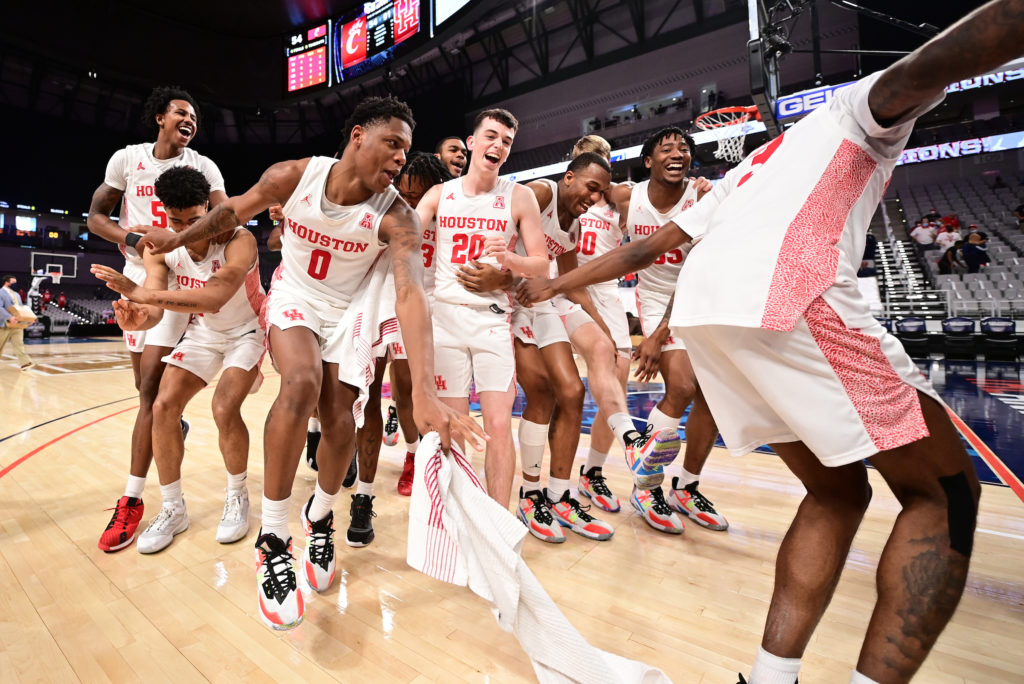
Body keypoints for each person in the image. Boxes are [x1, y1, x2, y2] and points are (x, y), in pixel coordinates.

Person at [522, 2, 1022, 680]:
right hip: (787, 293)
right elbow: (935, 60)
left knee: (837, 493)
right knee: (945, 497)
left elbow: (648, 251)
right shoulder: (854, 110)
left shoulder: (747, 172)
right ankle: (658, 470)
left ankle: (766, 674)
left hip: (708, 311)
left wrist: (551, 286)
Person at [140, 95, 485, 631]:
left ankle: (319, 518)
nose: (400, 159)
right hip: (297, 295)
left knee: (341, 418)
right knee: (298, 385)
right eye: (392, 143)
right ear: (357, 136)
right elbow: (231, 212)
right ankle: (274, 538)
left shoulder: (398, 217)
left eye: (406, 150)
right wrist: (176, 241)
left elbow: (411, 294)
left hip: (351, 309)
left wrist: (423, 392)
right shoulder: (293, 176)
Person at [91, 166, 265, 554]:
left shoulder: (240, 240)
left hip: (248, 333)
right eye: (176, 220)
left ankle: (238, 495)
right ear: (164, 214)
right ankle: (173, 508)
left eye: (195, 220)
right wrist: (138, 314)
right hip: (204, 334)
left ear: (209, 207)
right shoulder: (162, 250)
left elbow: (214, 298)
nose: (187, 228)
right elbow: (153, 307)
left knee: (223, 407)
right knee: (163, 406)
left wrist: (143, 296)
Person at [87, 85, 228, 553]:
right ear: (160, 118)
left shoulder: (203, 166)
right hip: (139, 273)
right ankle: (167, 436)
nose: (190, 121)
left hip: (183, 274)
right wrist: (133, 242)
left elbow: (224, 217)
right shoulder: (127, 159)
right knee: (144, 391)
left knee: (152, 396)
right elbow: (95, 216)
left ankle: (133, 499)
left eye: (195, 117)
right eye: (181, 113)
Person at [603, 126, 727, 535]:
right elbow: (580, 192)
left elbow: (699, 270)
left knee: (713, 396)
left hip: (700, 295)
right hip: (656, 298)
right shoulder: (626, 197)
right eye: (667, 148)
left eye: (684, 148)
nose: (678, 153)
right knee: (683, 387)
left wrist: (659, 334)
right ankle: (646, 486)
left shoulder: (704, 196)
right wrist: (652, 333)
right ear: (648, 162)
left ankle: (687, 488)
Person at [346, 152, 453, 548]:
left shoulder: (449, 213)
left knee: (409, 392)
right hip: (377, 300)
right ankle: (364, 493)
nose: (408, 200)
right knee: (367, 394)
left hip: (422, 302)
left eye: (417, 194)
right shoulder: (382, 206)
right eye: (404, 192)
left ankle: (413, 456)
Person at [1, 275, 33, 369]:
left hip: (17, 324)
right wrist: (9, 317)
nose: (16, 284)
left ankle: (25, 363)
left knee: (19, 344)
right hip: (4, 324)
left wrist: (28, 319)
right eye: (13, 282)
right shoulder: (0, 293)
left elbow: (21, 308)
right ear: (6, 282)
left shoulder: (17, 294)